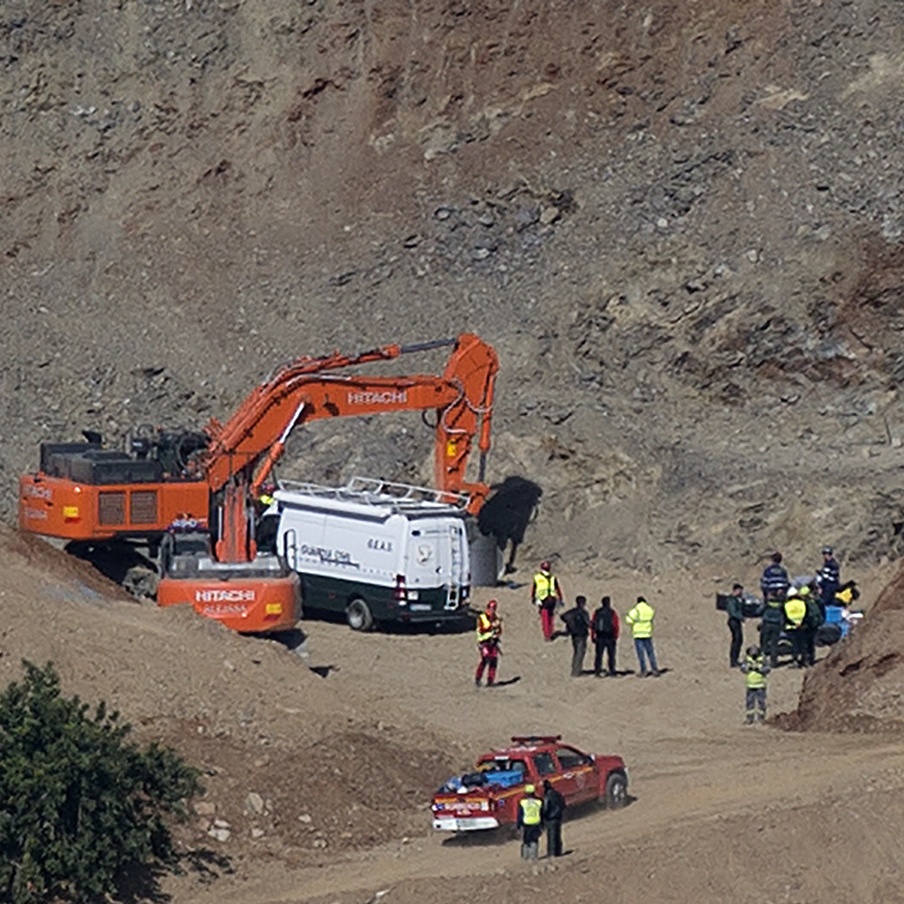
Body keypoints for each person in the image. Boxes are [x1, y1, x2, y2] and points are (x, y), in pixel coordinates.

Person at [625, 595, 660, 677]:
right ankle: (654, 669)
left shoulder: (636, 610)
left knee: (641, 654)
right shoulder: (649, 609)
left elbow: (629, 620)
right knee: (650, 652)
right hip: (647, 633)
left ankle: (644, 670)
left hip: (638, 634)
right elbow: (652, 616)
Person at [532, 560, 564, 642]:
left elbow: (534, 588)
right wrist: (560, 598)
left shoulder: (537, 577)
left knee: (545, 617)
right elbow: (558, 589)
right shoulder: (553, 578)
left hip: (543, 600)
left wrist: (533, 597)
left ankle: (547, 635)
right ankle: (550, 633)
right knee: (551, 617)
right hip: (552, 599)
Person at [561, 595, 591, 677]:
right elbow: (588, 623)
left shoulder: (573, 612)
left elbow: (563, 616)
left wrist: (570, 625)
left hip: (574, 634)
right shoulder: (584, 613)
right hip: (582, 634)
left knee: (576, 652)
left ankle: (575, 669)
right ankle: (576, 671)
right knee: (580, 653)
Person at [474, 599, 502, 687]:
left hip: (493, 642)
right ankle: (478, 678)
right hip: (484, 642)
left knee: (494, 661)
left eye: (494, 608)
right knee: (484, 660)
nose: (492, 611)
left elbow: (499, 630)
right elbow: (482, 629)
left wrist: (497, 634)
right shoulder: (482, 617)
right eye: (491, 608)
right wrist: (492, 626)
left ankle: (490, 680)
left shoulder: (495, 618)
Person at [740, 644, 770, 724]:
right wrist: (748, 668)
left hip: (760, 685)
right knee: (750, 702)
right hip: (750, 685)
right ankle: (750, 718)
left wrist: (759, 669)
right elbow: (742, 668)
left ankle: (761, 718)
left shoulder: (763, 659)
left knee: (761, 702)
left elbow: (768, 669)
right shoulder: (747, 659)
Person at [591, 595, 620, 677]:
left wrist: (593, 635)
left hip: (600, 636)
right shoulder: (612, 612)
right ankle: (612, 670)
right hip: (610, 636)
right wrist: (616, 635)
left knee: (599, 655)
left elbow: (593, 624)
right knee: (611, 655)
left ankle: (597, 670)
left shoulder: (597, 612)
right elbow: (616, 624)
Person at [759, 589, 785, 669]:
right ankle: (774, 662)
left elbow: (759, 611)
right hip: (777, 625)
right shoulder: (780, 605)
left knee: (764, 643)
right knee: (774, 644)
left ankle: (762, 661)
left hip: (767, 624)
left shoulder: (767, 604)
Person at [540, 779, 566, 858]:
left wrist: (543, 816)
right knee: (557, 835)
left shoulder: (548, 795)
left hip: (550, 817)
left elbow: (546, 807)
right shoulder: (557, 793)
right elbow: (563, 803)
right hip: (558, 816)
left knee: (551, 836)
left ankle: (552, 852)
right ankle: (558, 851)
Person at [783, 587, 808, 668]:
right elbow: (806, 614)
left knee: (794, 645)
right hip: (802, 626)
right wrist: (801, 623)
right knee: (803, 644)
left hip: (791, 627)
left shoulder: (786, 604)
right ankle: (805, 660)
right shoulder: (802, 603)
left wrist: (793, 623)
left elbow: (785, 617)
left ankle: (795, 660)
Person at [517, 783, 543, 861]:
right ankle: (534, 857)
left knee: (526, 841)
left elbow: (520, 814)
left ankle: (525, 857)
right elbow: (542, 813)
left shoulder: (522, 802)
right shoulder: (539, 802)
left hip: (526, 823)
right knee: (534, 840)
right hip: (536, 822)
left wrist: (518, 825)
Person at [725, 583, 745, 668]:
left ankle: (735, 659)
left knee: (739, 640)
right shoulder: (731, 600)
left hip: (736, 621)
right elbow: (733, 612)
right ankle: (733, 660)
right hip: (734, 621)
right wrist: (741, 617)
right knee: (736, 640)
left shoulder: (736, 599)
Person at [816, 545, 840, 614]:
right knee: (831, 603)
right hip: (834, 585)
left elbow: (826, 578)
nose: (824, 556)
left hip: (829, 586)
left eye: (825, 554)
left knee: (825, 603)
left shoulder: (829, 564)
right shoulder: (834, 563)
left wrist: (820, 586)